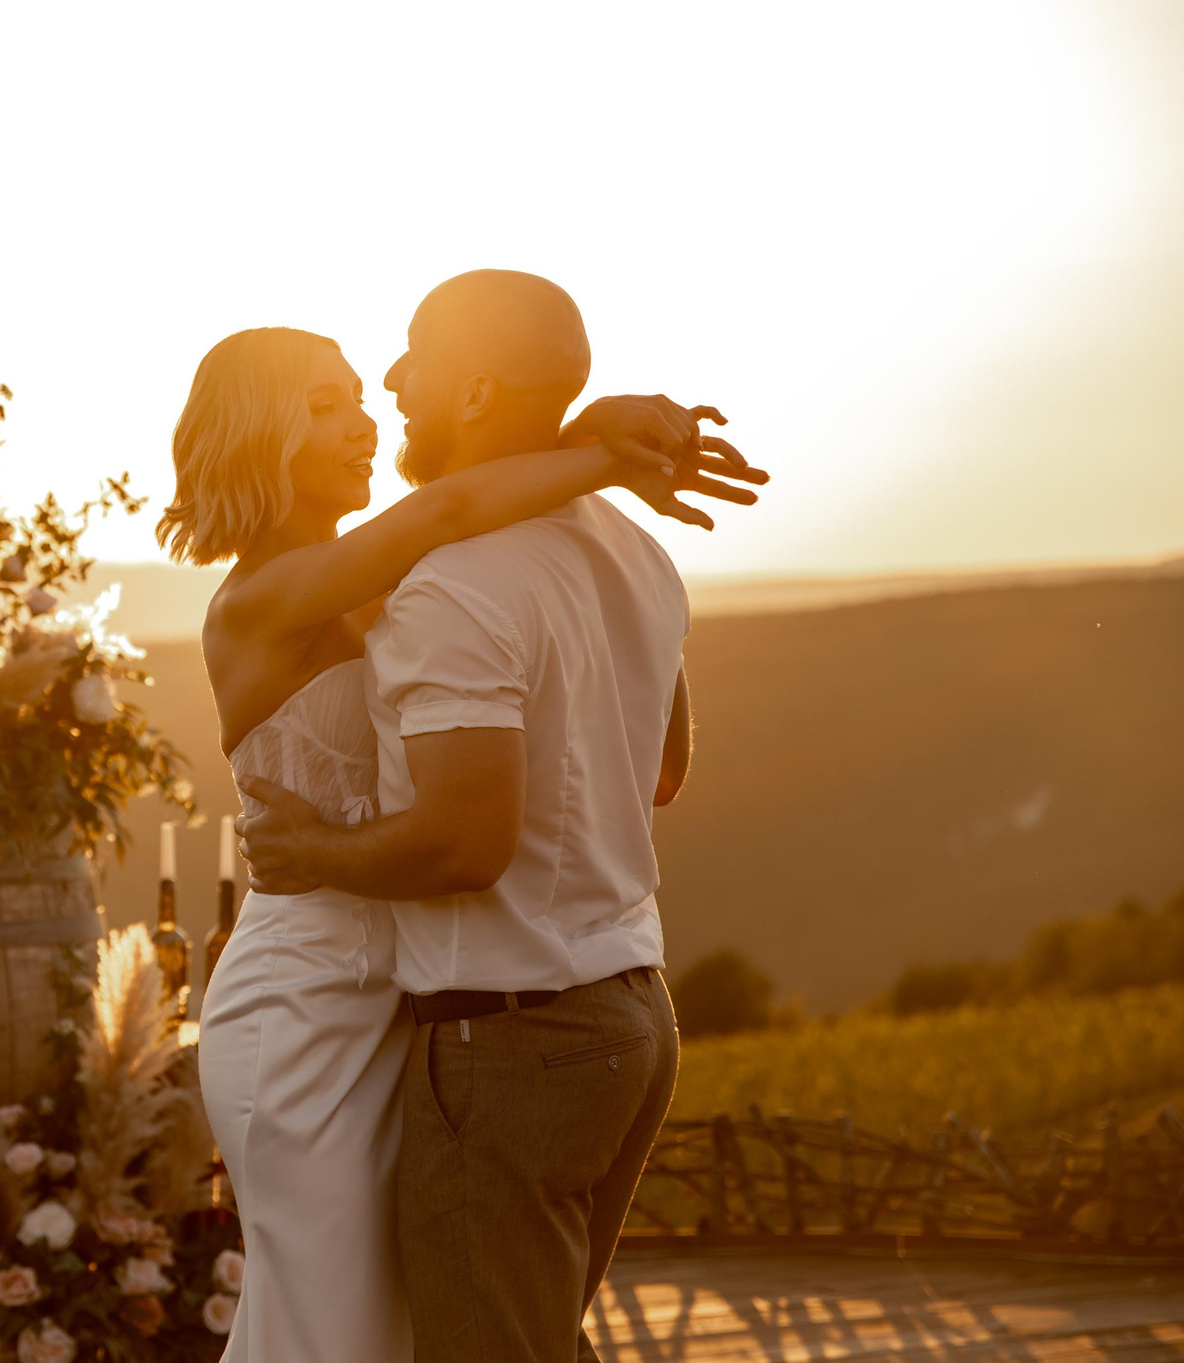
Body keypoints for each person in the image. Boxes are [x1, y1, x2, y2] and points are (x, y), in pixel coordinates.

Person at [164, 305, 761, 1363]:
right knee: (331, 1323)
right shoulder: (263, 600)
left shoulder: (398, 575)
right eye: (325, 405)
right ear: (261, 435)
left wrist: (584, 435)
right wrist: (600, 452)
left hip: (405, 1001)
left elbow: (476, 516)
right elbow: (452, 505)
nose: (364, 418)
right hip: (300, 1001)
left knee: (418, 1323)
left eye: (360, 398)